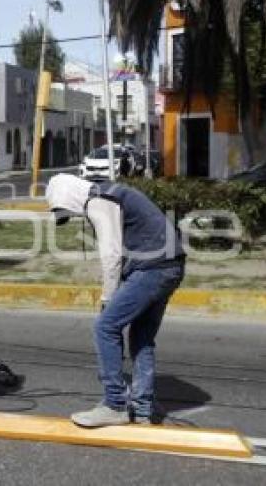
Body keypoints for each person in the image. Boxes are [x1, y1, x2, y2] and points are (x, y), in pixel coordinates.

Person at [46, 173, 185, 427]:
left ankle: (114, 405)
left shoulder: (99, 201)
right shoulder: (110, 193)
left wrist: (108, 297)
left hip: (152, 267)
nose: (73, 216)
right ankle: (142, 410)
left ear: (69, 196)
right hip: (170, 264)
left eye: (66, 210)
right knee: (141, 337)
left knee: (105, 326)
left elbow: (111, 255)